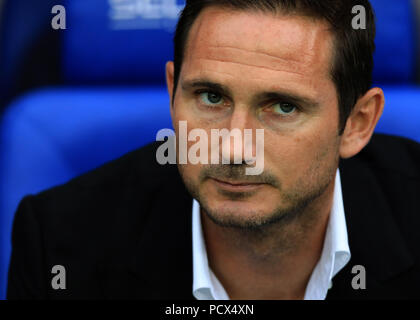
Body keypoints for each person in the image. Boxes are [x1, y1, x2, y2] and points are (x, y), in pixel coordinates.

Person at [7, 0, 420, 300]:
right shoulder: (60, 242)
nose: (235, 148)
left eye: (283, 106)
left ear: (357, 123)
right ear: (172, 92)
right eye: (210, 97)